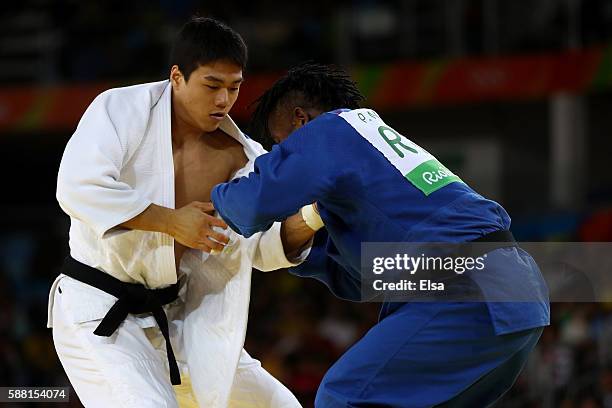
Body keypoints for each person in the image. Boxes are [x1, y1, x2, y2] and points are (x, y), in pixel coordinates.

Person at [211, 63, 551, 407]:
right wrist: (292, 240)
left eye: (281, 145)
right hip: (516, 291)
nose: (282, 157)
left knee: (344, 397)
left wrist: (206, 192)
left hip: (465, 287)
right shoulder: (371, 151)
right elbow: (358, 277)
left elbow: (247, 207)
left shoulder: (330, 129)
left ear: (301, 119)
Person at [50, 17, 312, 407]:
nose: (224, 100)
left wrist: (313, 215)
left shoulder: (242, 158)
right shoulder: (120, 109)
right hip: (99, 310)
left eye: (234, 87)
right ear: (177, 77)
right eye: (212, 85)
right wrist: (171, 221)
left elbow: (264, 246)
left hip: (181, 322)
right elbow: (78, 187)